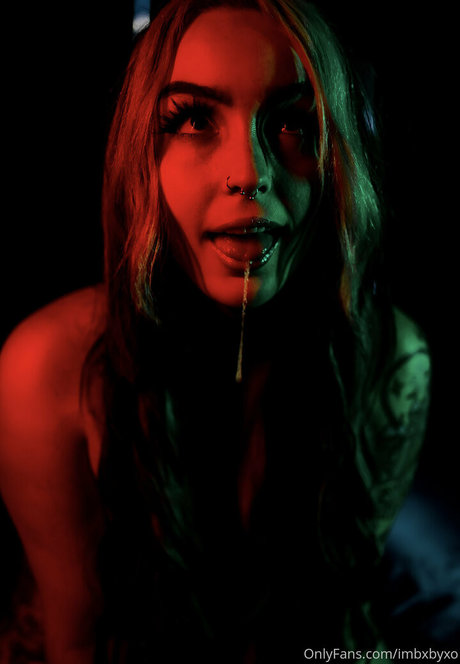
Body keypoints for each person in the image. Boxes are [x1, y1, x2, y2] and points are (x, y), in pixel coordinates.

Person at [0, 0, 431, 662]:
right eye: (194, 119)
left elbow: (334, 614)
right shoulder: (47, 369)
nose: (249, 174)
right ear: (139, 150)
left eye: (292, 122)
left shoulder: (391, 362)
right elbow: (77, 641)